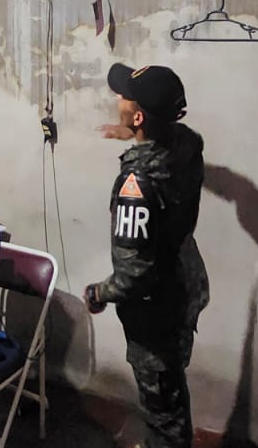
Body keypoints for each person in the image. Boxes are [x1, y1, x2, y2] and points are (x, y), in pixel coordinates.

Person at [85, 63, 211, 448]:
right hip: (185, 286)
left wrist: (97, 294)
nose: (118, 99)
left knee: (162, 410)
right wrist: (137, 132)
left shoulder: (137, 184)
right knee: (171, 388)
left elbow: (133, 276)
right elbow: (175, 137)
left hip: (155, 310)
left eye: (125, 98)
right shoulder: (188, 146)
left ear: (139, 116)